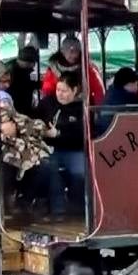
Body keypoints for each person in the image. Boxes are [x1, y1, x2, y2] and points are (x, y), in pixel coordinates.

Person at [40, 72, 88, 218]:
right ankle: (57, 210)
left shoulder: (82, 107)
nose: (60, 94)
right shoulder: (47, 103)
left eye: (64, 91)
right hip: (49, 149)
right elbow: (34, 119)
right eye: (58, 90)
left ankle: (78, 208)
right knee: (50, 168)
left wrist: (59, 134)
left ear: (75, 90)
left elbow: (83, 133)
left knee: (80, 172)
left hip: (74, 149)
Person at [41, 35, 105, 106]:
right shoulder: (53, 69)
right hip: (59, 107)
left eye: (76, 51)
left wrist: (98, 112)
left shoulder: (88, 69)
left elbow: (99, 92)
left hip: (83, 107)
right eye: (71, 51)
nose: (74, 55)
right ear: (62, 51)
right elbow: (47, 91)